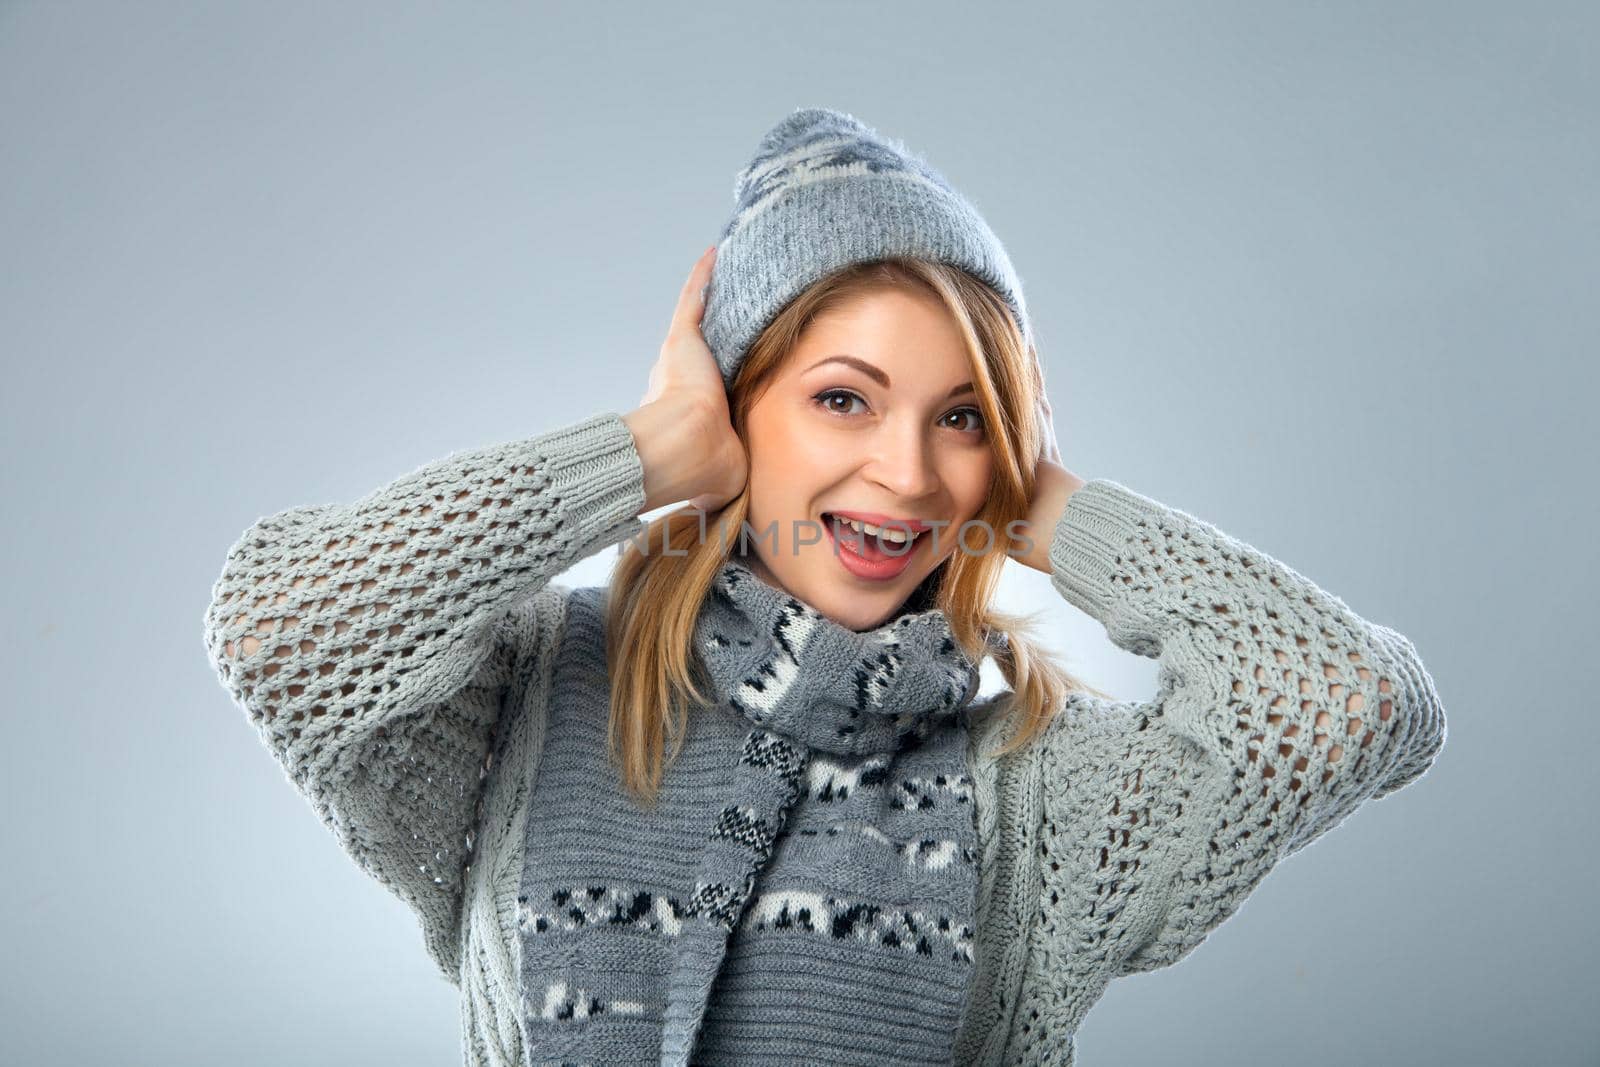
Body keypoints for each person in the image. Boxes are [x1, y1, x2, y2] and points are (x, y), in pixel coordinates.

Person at [202, 108, 1447, 1067]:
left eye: (960, 417)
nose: (905, 472)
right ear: (736, 410)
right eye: (840, 396)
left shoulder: (1035, 789)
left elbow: (1352, 699)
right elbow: (285, 629)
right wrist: (643, 454)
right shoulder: (527, 697)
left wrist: (1045, 503)